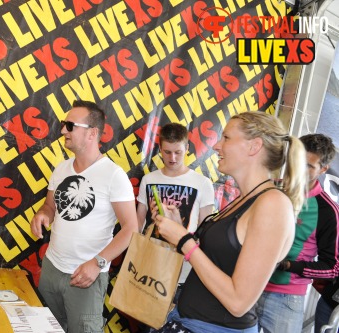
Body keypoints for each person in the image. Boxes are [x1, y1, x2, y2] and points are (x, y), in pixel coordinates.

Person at [151, 111, 307, 333]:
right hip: (189, 321)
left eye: (227, 138)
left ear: (254, 146)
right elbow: (217, 260)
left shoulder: (273, 205)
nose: (217, 146)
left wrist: (184, 240)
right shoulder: (246, 199)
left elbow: (238, 302)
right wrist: (178, 227)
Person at [30, 100, 138, 333]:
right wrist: (42, 214)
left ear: (92, 133)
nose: (62, 131)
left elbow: (131, 229)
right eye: (63, 125)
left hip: (85, 278)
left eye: (70, 125)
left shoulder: (113, 175)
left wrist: (97, 262)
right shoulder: (61, 168)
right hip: (51, 269)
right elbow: (49, 206)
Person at [256, 133, 339, 333]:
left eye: (309, 166)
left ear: (323, 169)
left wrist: (289, 265)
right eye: (299, 161)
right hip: (249, 285)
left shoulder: (327, 210)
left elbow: (332, 268)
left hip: (286, 298)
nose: (300, 170)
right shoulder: (267, 188)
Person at [136, 122, 214, 292]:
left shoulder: (202, 183)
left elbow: (206, 232)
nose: (172, 158)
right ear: (160, 149)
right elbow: (138, 222)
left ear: (187, 148)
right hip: (150, 266)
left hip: (184, 271)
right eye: (167, 152)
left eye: (178, 152)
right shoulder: (149, 180)